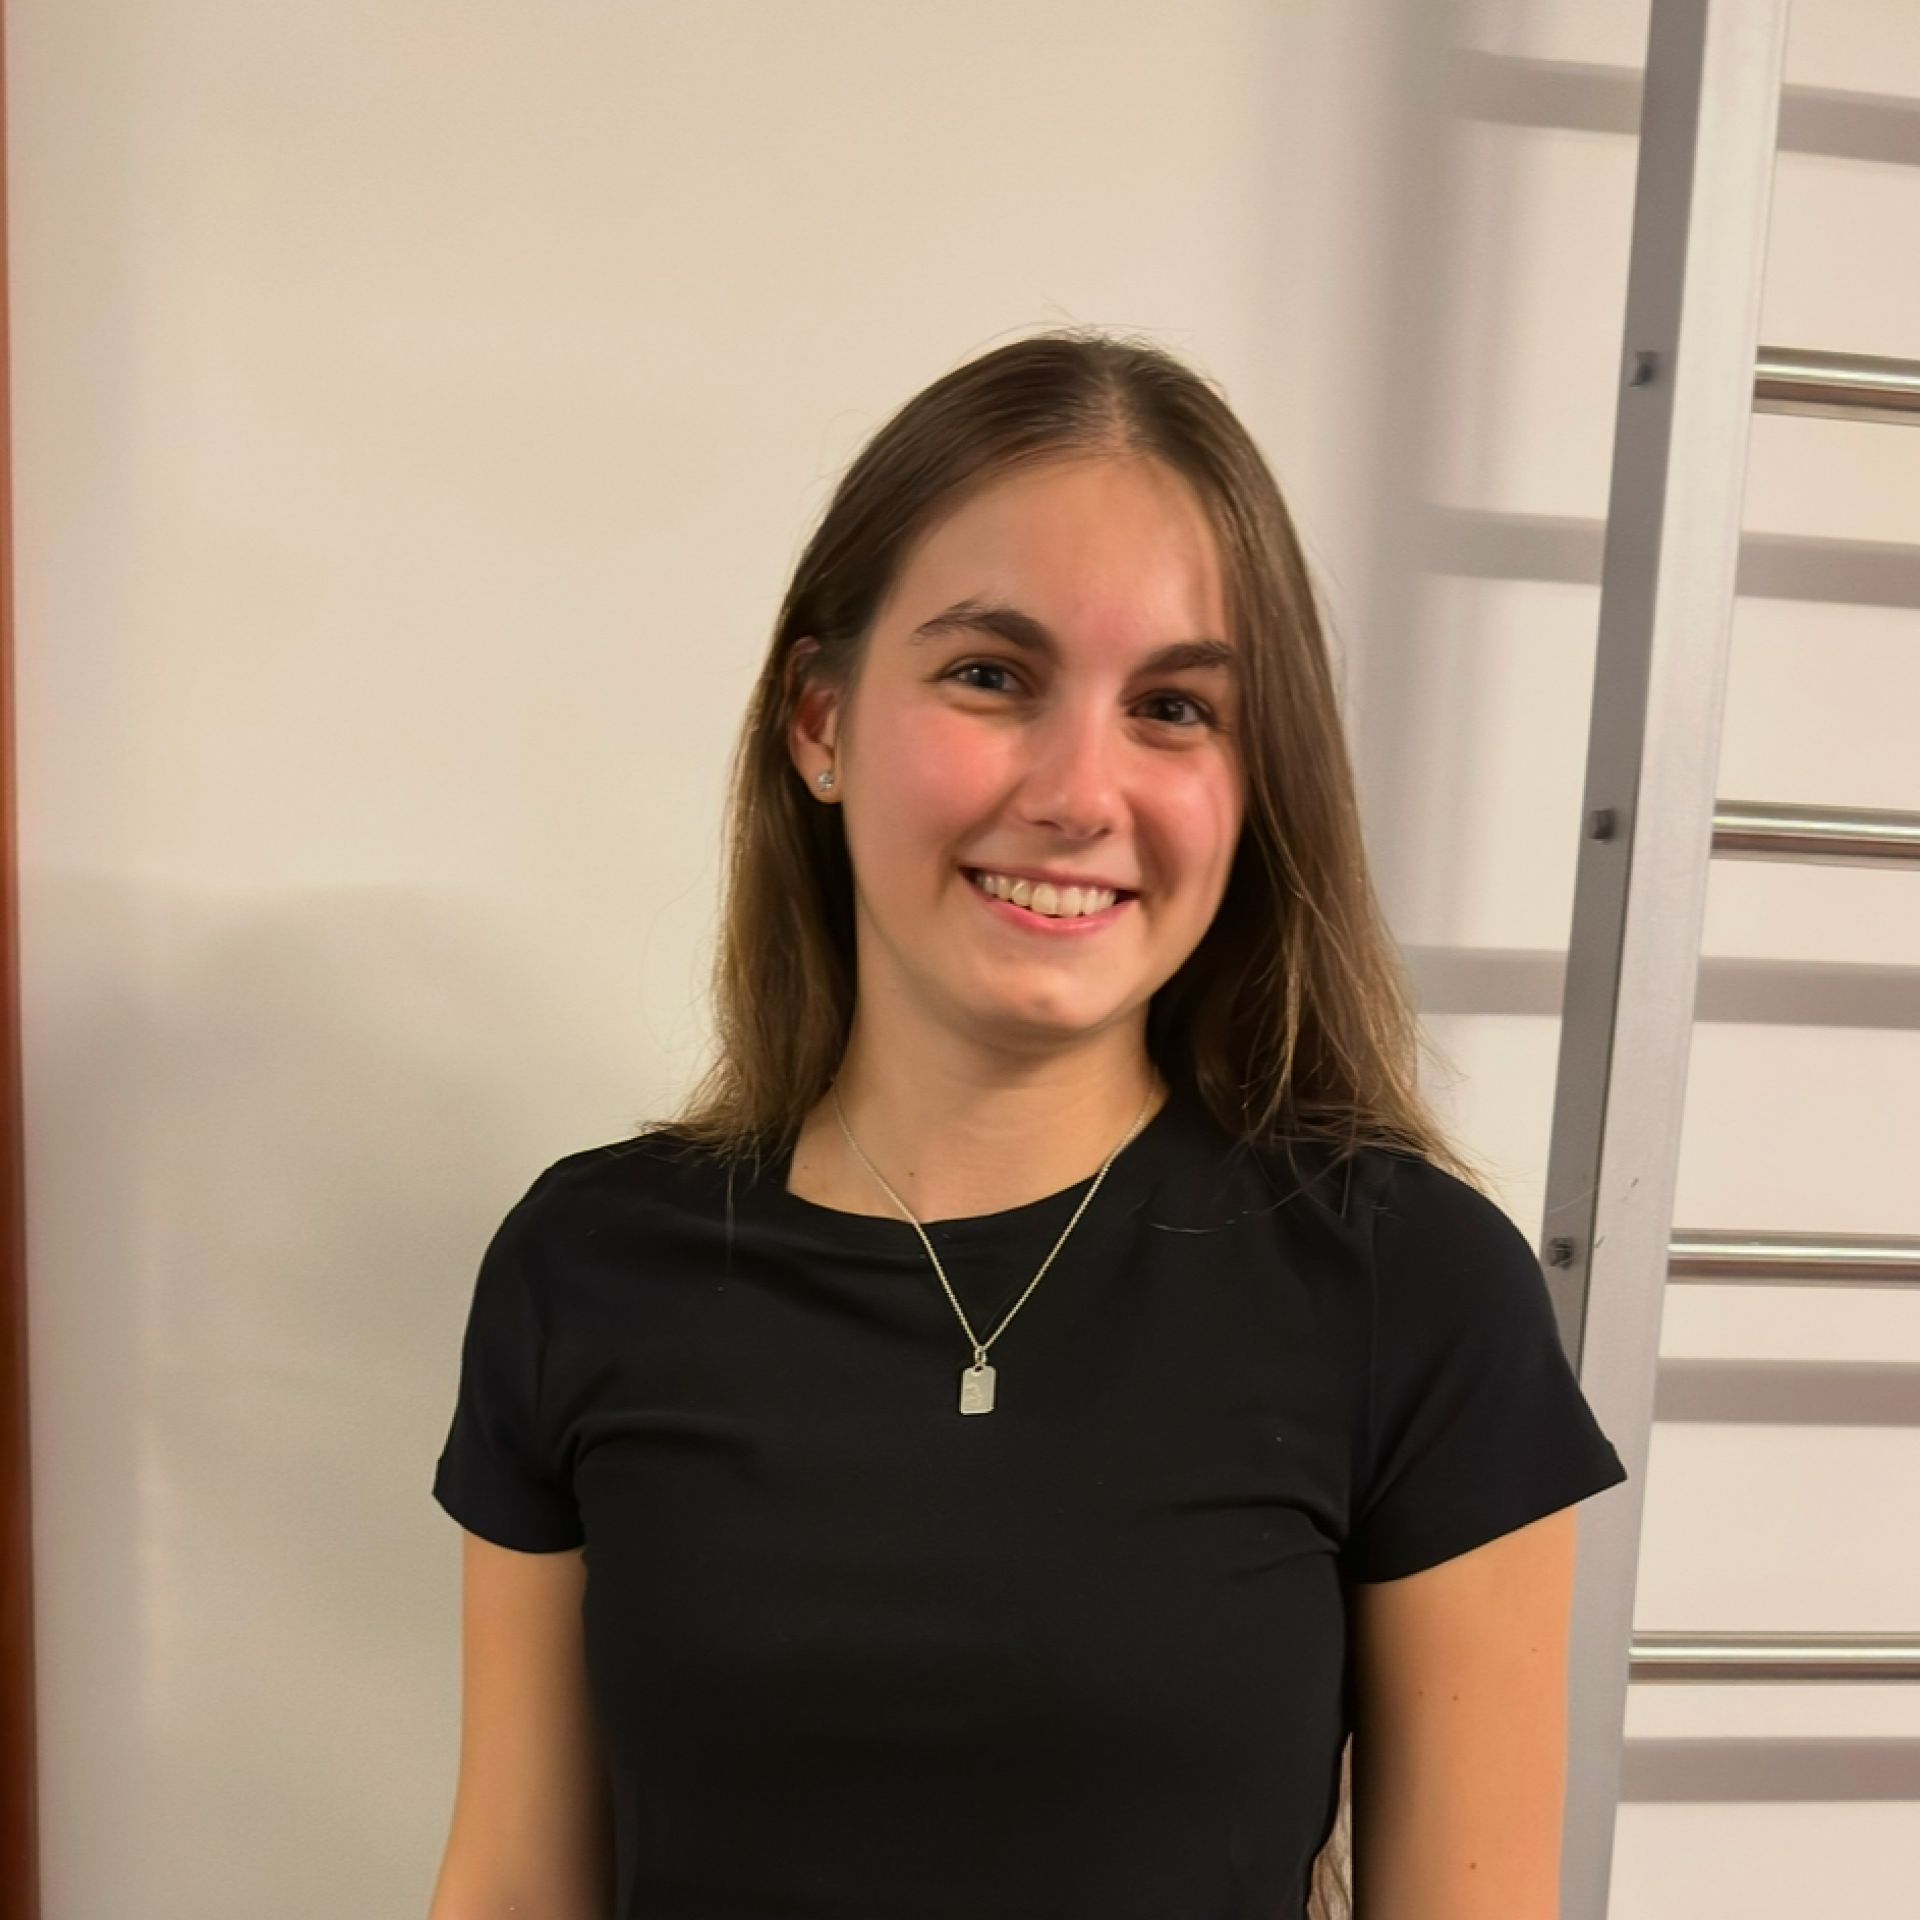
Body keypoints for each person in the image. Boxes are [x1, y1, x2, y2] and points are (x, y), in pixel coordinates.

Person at [426, 327, 1628, 1920]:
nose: (1078, 792)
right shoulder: (586, 1265)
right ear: (821, 723)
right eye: (992, 676)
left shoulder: (1411, 1289)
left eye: (1175, 707)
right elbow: (512, 1884)